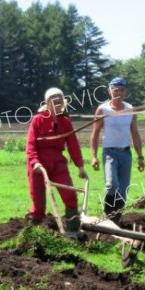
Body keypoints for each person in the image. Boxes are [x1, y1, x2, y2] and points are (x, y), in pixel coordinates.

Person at [26, 87, 88, 235]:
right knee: (38, 200)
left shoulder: (65, 122)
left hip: (57, 162)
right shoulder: (37, 120)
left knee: (70, 194)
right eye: (53, 101)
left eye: (59, 101)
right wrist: (35, 162)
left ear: (63, 103)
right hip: (38, 164)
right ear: (47, 103)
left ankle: (72, 230)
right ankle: (36, 232)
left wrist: (80, 166)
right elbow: (30, 144)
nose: (57, 104)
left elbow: (73, 144)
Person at [90, 77, 144, 225]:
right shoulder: (103, 109)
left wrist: (140, 157)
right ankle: (107, 217)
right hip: (109, 153)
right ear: (109, 91)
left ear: (125, 92)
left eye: (121, 90)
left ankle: (115, 221)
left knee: (123, 190)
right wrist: (93, 156)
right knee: (112, 184)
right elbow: (94, 134)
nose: (118, 93)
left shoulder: (130, 109)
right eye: (115, 90)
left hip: (126, 154)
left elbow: (135, 133)